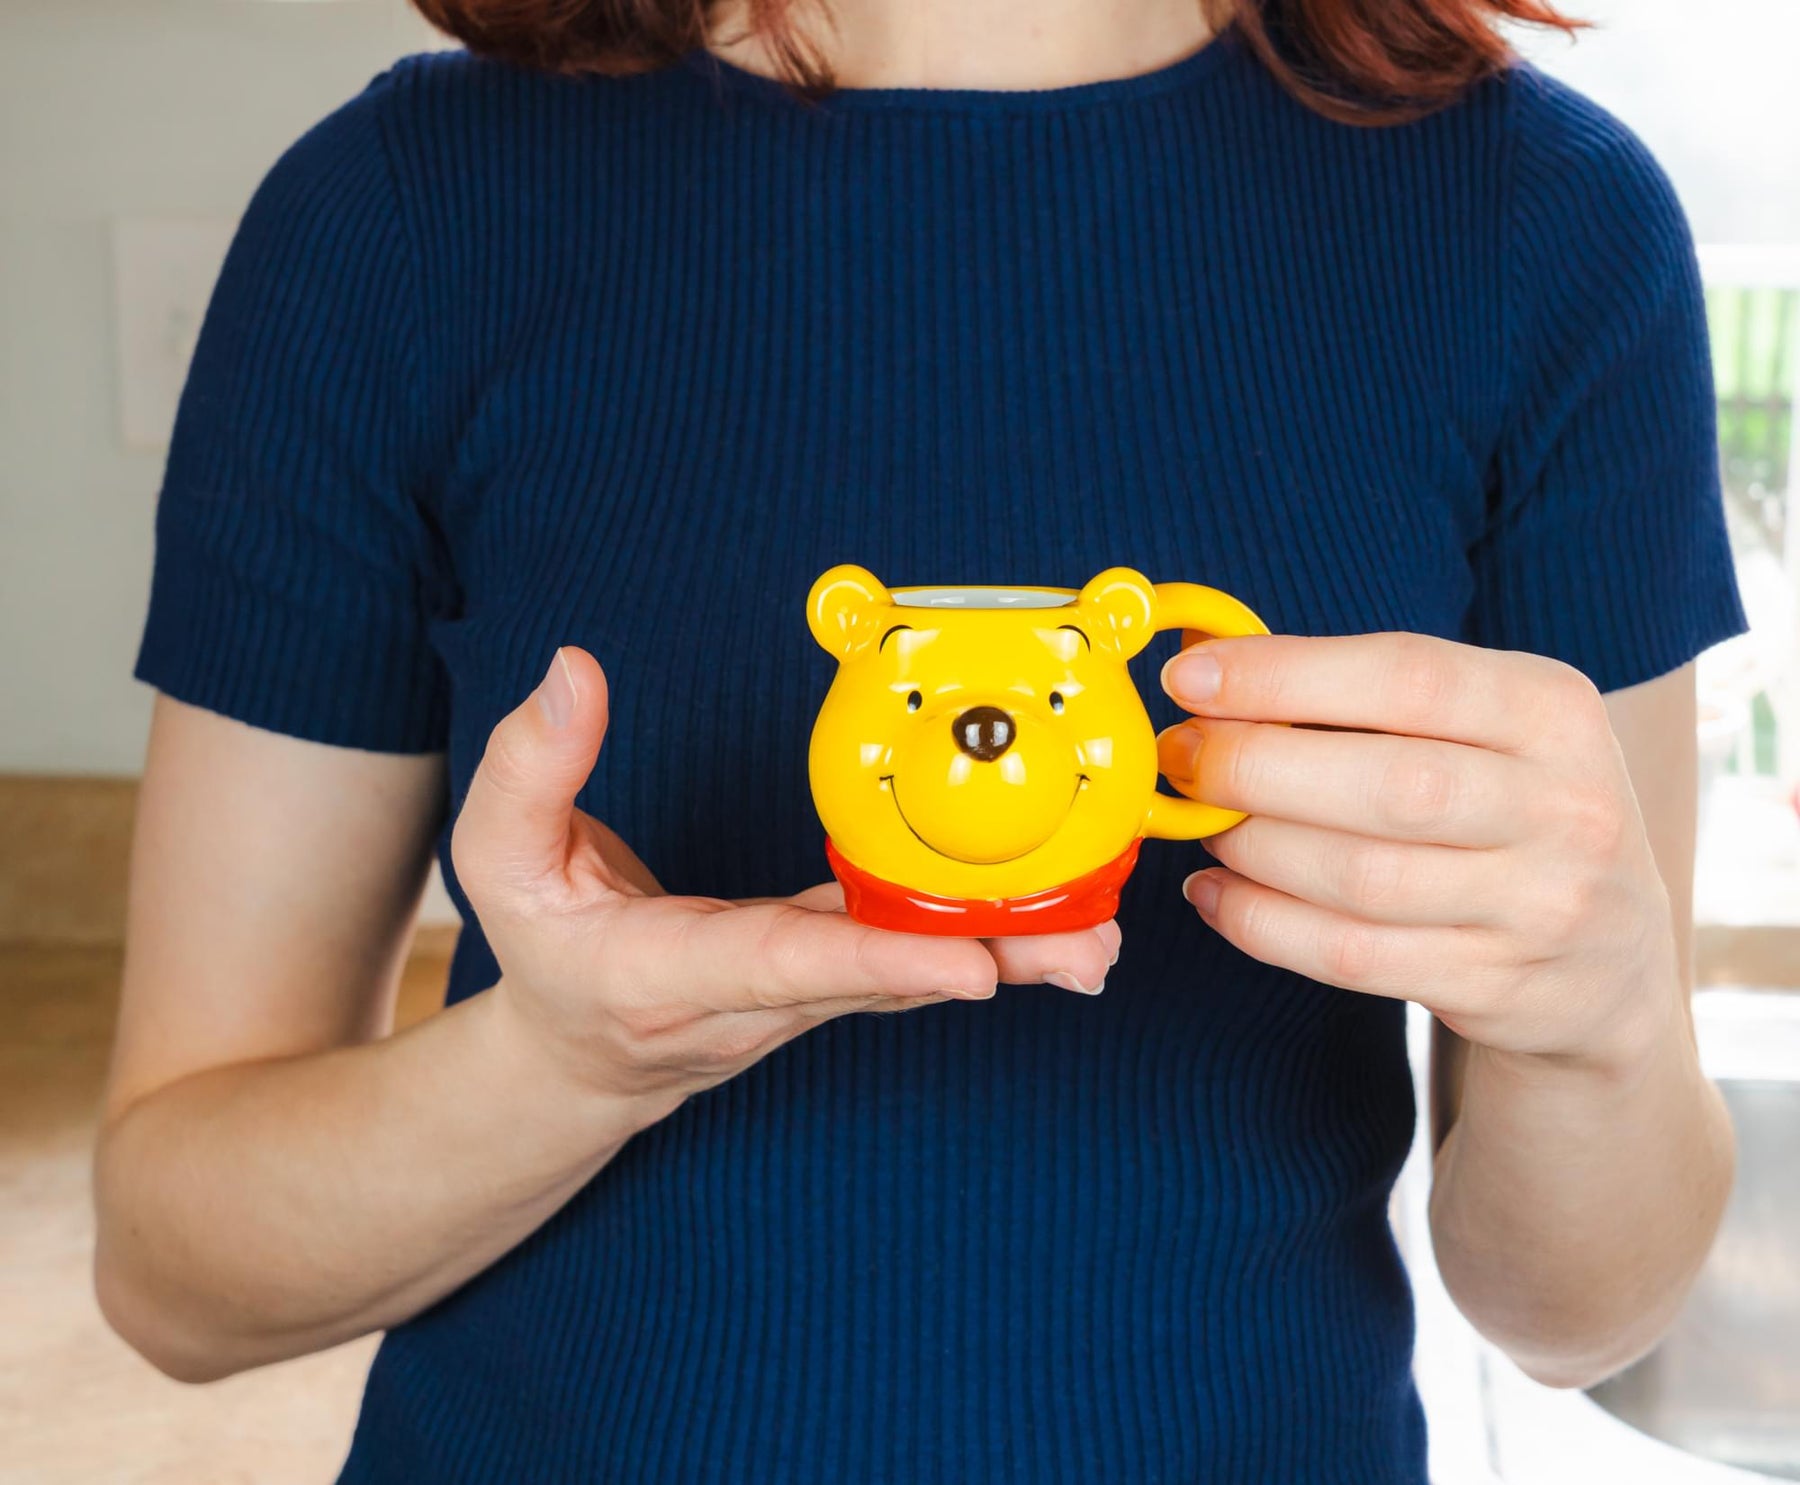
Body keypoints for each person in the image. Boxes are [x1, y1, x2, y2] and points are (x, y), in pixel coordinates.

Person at [92, 0, 1746, 1479]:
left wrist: (1598, 1031)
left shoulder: (1544, 225)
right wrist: (566, 1065)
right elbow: (177, 1275)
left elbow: (1581, 1314)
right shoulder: (396, 217)